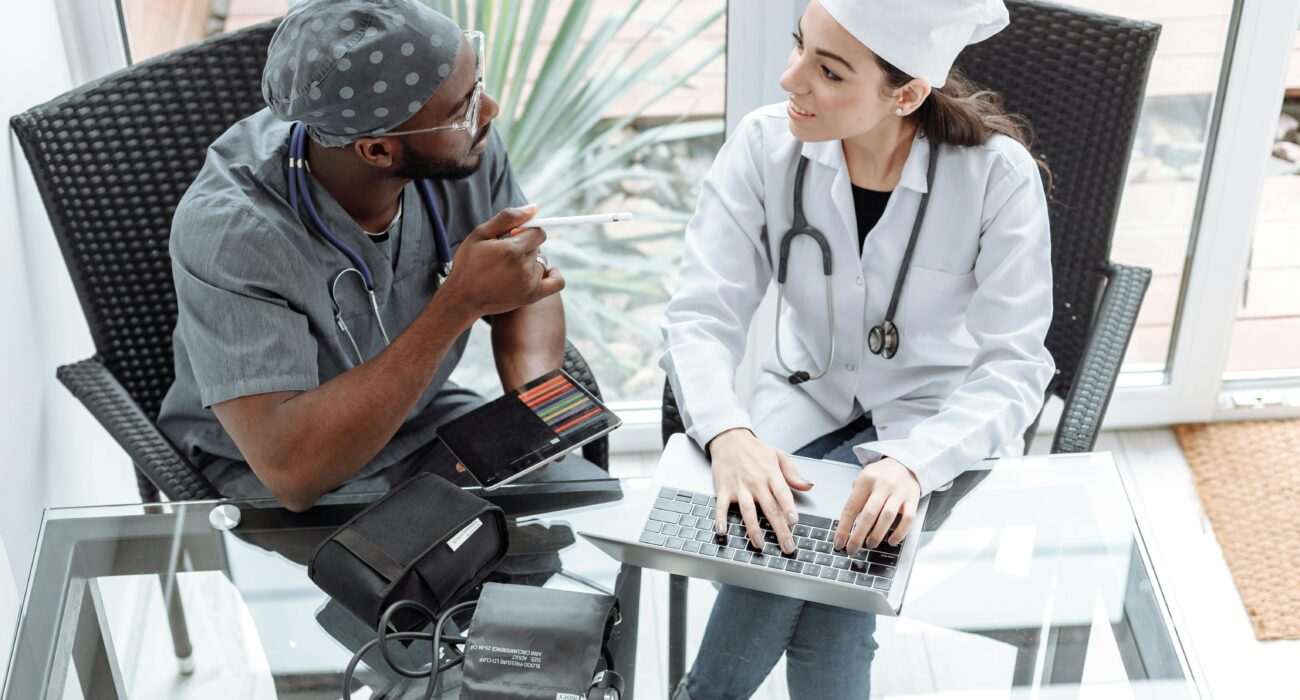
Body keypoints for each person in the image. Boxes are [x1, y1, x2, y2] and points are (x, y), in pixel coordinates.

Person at [661, 0, 1055, 696]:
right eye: (799, 47)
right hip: (801, 403)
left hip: (937, 426)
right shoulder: (762, 147)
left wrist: (913, 462)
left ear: (904, 94)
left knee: (795, 557)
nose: (791, 79)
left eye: (829, 71)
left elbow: (1015, 368)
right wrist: (730, 434)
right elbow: (701, 314)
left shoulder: (998, 178)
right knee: (824, 572)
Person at [157, 0, 589, 511]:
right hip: (283, 471)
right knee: (432, 579)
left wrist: (538, 403)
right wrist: (457, 305)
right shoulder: (235, 231)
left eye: (476, 86)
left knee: (573, 524)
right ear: (378, 151)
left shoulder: (463, 150)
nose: (489, 109)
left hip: (425, 422)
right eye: (463, 108)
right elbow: (292, 472)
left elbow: (521, 281)